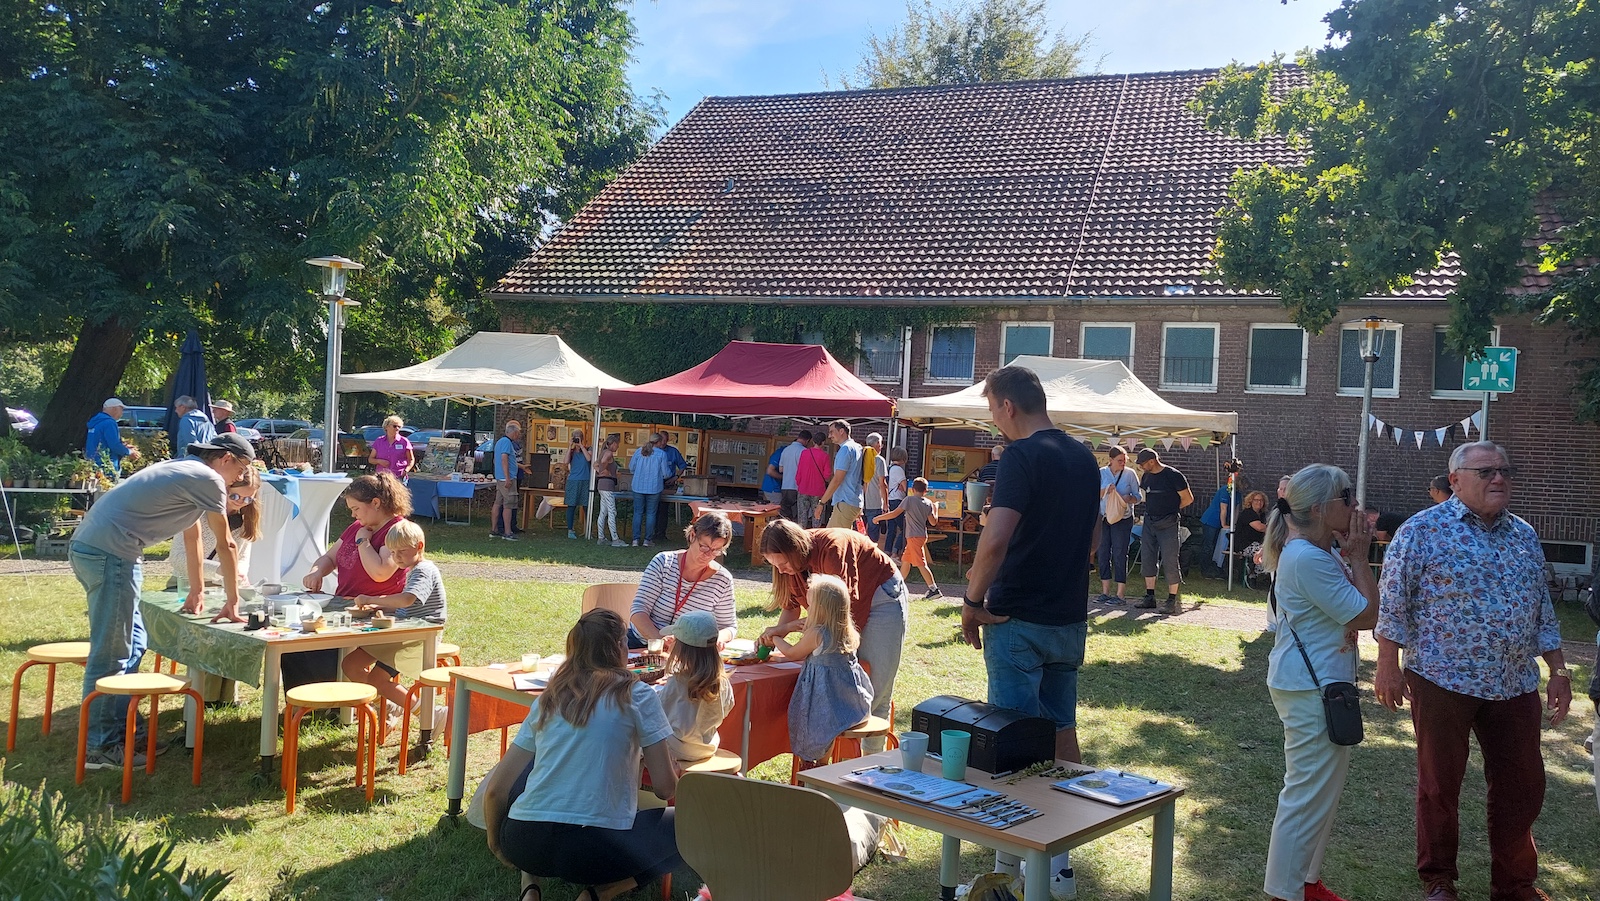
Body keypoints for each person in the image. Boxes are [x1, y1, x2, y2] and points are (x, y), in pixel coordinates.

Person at [1375, 441, 1568, 901]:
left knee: (1522, 785)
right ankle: (1439, 880)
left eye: (1505, 470)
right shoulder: (1421, 531)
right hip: (1442, 678)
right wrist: (1387, 664)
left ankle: (1515, 885)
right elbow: (1393, 601)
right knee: (1440, 784)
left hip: (1514, 681)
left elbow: (1541, 606)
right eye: (1486, 472)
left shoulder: (1524, 534)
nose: (1498, 478)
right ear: (1455, 480)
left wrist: (1558, 669)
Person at [959, 365, 1098, 899]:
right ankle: (1061, 867)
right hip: (1068, 615)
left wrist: (971, 602)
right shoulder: (1083, 457)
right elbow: (1092, 537)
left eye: (991, 409)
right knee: (1062, 732)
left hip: (1016, 618)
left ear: (1007, 406)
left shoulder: (1019, 456)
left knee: (1013, 744)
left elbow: (995, 540)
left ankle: (1011, 871)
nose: (993, 420)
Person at [72, 433, 253, 769]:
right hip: (110, 553)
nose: (240, 478)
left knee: (135, 642)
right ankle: (100, 748)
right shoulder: (208, 478)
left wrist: (197, 590)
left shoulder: (186, 470)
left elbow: (193, 535)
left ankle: (126, 731)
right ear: (226, 458)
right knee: (112, 652)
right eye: (241, 469)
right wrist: (233, 601)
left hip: (104, 550)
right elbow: (226, 543)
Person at [482, 609, 680, 901]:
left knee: (533, 766)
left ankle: (530, 884)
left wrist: (497, 843)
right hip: (593, 851)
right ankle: (603, 892)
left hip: (523, 842)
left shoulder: (549, 698)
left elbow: (496, 790)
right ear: (619, 647)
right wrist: (672, 768)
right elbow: (664, 789)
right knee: (694, 826)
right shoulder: (638, 695)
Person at [1261, 465, 1379, 901]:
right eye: (1346, 497)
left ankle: (1306, 882)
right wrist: (1360, 557)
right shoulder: (1308, 558)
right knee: (1306, 794)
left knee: (1321, 792)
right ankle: (1285, 891)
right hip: (1310, 688)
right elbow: (1366, 615)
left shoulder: (1317, 552)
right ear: (1319, 508)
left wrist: (1350, 555)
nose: (1354, 504)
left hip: (1319, 684)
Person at [760, 519, 907, 753]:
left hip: (881, 596)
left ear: (796, 549)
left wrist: (786, 633)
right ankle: (843, 761)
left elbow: (838, 615)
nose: (780, 570)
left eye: (783, 563)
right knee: (841, 686)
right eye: (773, 565)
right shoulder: (789, 565)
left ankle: (872, 761)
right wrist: (775, 639)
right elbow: (791, 607)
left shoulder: (833, 549)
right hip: (844, 611)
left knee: (876, 686)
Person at [295, 472, 411, 692]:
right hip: (345, 607)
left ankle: (340, 701)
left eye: (356, 508)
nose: (353, 515)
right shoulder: (358, 527)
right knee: (297, 646)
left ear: (375, 503)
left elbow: (380, 573)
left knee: (319, 651)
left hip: (375, 614)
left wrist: (363, 542)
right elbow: (330, 558)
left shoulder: (396, 530)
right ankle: (310, 701)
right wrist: (317, 572)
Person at [764, 573, 874, 766]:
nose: (808, 610)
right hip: (850, 704)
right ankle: (822, 763)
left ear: (820, 609)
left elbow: (792, 653)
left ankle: (811, 762)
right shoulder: (845, 631)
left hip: (826, 701)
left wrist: (775, 638)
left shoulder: (817, 633)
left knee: (812, 723)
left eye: (811, 606)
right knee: (827, 727)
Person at [342, 519, 447, 718]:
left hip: (418, 637)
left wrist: (371, 599)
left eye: (402, 551)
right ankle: (391, 705)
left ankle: (429, 714)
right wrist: (380, 606)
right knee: (351, 665)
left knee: (376, 679)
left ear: (419, 546)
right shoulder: (414, 569)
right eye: (392, 552)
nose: (396, 557)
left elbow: (407, 600)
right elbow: (407, 605)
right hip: (404, 632)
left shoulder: (424, 570)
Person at [630, 513, 737, 649]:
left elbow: (729, 626)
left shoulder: (723, 579)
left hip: (690, 651)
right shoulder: (664, 562)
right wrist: (659, 641)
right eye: (704, 547)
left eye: (716, 551)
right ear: (692, 536)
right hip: (643, 643)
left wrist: (717, 639)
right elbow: (638, 611)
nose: (708, 555)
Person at [653, 610, 735, 765]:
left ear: (681, 649)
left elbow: (660, 712)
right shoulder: (722, 681)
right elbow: (728, 706)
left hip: (676, 747)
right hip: (708, 746)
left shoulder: (678, 681)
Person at [167, 466, 261, 593]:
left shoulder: (245, 520)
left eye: (248, 499)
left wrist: (239, 572)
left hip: (221, 588)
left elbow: (243, 558)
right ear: (225, 489)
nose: (240, 502)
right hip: (184, 585)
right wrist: (219, 569)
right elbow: (177, 558)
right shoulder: (197, 512)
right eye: (234, 496)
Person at [1136, 448, 1192, 614]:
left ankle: (1171, 600)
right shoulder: (1146, 476)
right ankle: (1149, 597)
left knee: (1170, 559)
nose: (1141, 467)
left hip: (1169, 523)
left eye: (1143, 464)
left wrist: (1171, 510)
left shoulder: (1173, 475)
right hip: (1149, 521)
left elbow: (1188, 498)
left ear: (1152, 461)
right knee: (1147, 557)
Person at [874, 477, 941, 599]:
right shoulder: (928, 503)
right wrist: (935, 509)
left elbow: (895, 513)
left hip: (913, 536)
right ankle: (898, 585)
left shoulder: (909, 500)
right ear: (926, 491)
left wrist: (878, 518)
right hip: (921, 536)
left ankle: (934, 589)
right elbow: (933, 522)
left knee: (921, 563)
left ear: (912, 489)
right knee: (906, 560)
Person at [1095, 446, 1141, 606]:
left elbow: (1138, 496)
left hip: (1123, 518)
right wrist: (1106, 491)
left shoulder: (1130, 474)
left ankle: (1120, 594)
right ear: (1111, 460)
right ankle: (1105, 592)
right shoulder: (1101, 473)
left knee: (1120, 553)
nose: (1123, 463)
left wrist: (1129, 498)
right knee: (1103, 553)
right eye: (1119, 460)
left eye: (1124, 460)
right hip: (1104, 517)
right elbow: (1092, 493)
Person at [816, 420, 865, 529]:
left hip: (845, 501)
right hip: (853, 501)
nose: (829, 436)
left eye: (832, 432)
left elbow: (837, 479)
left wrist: (822, 503)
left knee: (831, 537)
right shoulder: (857, 447)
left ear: (841, 431)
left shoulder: (846, 449)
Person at [628, 434, 673, 548]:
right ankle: (647, 540)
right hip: (654, 487)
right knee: (651, 514)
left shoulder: (639, 451)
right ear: (658, 442)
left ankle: (635, 540)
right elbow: (666, 473)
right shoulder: (661, 454)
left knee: (637, 513)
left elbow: (631, 467)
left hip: (638, 486)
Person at [85, 397, 139, 477]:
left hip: (92, 464)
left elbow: (102, 441)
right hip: (107, 466)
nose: (122, 413)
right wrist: (129, 452)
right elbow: (114, 445)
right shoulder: (109, 423)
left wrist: (123, 446)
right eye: (121, 409)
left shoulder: (95, 422)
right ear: (114, 409)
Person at [651, 432, 688, 541]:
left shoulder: (673, 451)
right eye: (661, 440)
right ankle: (651, 533)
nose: (663, 442)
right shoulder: (651, 451)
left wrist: (676, 477)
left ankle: (661, 533)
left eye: (665, 440)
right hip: (653, 482)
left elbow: (682, 465)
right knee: (653, 509)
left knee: (663, 509)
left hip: (667, 483)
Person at [491, 421, 524, 540]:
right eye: (518, 433)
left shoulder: (500, 442)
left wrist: (521, 467)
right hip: (506, 478)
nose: (518, 435)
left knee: (498, 503)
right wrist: (508, 478)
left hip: (500, 477)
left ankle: (494, 530)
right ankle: (508, 532)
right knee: (508, 505)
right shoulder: (507, 442)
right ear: (514, 432)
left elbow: (499, 460)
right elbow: (504, 459)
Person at [793, 430, 831, 526]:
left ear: (813, 441)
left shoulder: (804, 453)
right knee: (817, 516)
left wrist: (799, 483)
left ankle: (801, 534)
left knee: (802, 517)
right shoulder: (825, 456)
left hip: (803, 488)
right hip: (818, 490)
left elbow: (799, 471)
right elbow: (827, 475)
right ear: (823, 442)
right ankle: (815, 534)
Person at [595, 434, 625, 547]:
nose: (618, 447)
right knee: (612, 511)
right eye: (617, 444)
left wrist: (600, 471)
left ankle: (601, 537)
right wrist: (605, 470)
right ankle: (615, 539)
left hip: (602, 485)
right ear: (613, 444)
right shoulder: (608, 453)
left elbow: (595, 464)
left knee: (603, 512)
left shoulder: (602, 452)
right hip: (608, 485)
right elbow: (603, 461)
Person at [1200, 475, 1232, 578]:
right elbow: (1223, 508)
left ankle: (1214, 568)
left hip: (1220, 522)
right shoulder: (1225, 490)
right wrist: (1224, 524)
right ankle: (1205, 569)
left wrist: (1233, 523)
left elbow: (1236, 508)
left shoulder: (1237, 493)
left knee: (1217, 546)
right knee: (1208, 546)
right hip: (1211, 520)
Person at [860, 432, 888, 544]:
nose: (882, 446)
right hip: (875, 502)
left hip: (859, 501)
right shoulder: (879, 460)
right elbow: (882, 483)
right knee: (873, 536)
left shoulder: (860, 458)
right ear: (877, 444)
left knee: (859, 533)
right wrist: (885, 503)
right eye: (881, 443)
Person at [564, 430, 592, 540]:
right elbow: (565, 462)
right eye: (575, 438)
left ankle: (588, 530)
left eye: (578, 438)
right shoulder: (571, 452)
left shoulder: (588, 449)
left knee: (586, 506)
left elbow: (589, 458)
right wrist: (569, 446)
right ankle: (570, 530)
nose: (576, 440)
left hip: (585, 480)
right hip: (573, 480)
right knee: (571, 505)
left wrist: (581, 446)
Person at [369, 415, 415, 482]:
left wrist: (406, 470)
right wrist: (379, 461)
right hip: (382, 477)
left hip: (399, 477)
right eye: (394, 426)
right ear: (386, 427)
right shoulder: (379, 441)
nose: (397, 428)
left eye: (399, 427)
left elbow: (411, 459)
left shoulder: (404, 441)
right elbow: (370, 459)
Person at [882, 447, 909, 557]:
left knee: (892, 528)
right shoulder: (898, 470)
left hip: (890, 499)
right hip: (898, 500)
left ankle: (887, 551)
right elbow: (905, 487)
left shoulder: (889, 468)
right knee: (904, 528)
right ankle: (895, 552)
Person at [777, 431, 807, 521]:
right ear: (807, 440)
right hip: (798, 487)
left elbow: (781, 469)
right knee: (797, 515)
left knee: (785, 514)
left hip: (785, 485)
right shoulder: (804, 451)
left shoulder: (786, 450)